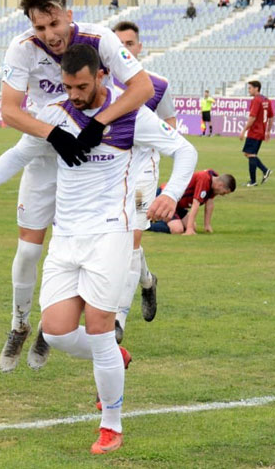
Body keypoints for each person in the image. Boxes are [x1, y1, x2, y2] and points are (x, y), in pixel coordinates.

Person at [0, 45, 197, 454]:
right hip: (66, 238)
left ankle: (111, 424)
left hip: (111, 234)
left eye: (82, 86)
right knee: (56, 331)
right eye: (68, 85)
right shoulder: (56, 114)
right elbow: (20, 152)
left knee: (101, 326)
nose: (73, 93)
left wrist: (172, 193)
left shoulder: (131, 116)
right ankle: (113, 356)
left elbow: (185, 150)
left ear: (102, 76)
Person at [0, 0, 155, 373]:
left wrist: (99, 123)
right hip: (44, 148)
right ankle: (19, 325)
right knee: (29, 251)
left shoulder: (100, 39)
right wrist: (52, 134)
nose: (49, 35)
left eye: (54, 24)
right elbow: (9, 110)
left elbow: (142, 87)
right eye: (40, 28)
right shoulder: (22, 49)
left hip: (95, 156)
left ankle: (60, 325)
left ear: (68, 15)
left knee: (96, 242)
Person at [112, 20, 179, 335]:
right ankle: (148, 281)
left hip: (143, 174)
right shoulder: (100, 83)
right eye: (118, 43)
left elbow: (170, 123)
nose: (125, 49)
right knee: (119, 241)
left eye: (130, 43)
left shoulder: (158, 85)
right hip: (108, 174)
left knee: (132, 238)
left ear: (138, 48)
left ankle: (117, 320)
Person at [147, 170, 236, 235]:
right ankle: (145, 225)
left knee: (193, 226)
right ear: (220, 185)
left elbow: (209, 204)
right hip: (168, 198)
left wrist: (207, 225)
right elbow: (195, 205)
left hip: (179, 205)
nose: (222, 195)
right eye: (224, 192)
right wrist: (189, 229)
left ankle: (161, 219)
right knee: (177, 230)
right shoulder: (204, 179)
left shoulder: (214, 182)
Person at [240, 80, 273, 187]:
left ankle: (259, 176)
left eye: (250, 88)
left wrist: (244, 130)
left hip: (254, 131)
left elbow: (252, 117)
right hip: (261, 132)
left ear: (256, 88)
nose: (249, 90)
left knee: (250, 154)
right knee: (249, 154)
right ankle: (259, 176)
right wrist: (268, 130)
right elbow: (271, 116)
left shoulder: (256, 100)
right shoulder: (266, 100)